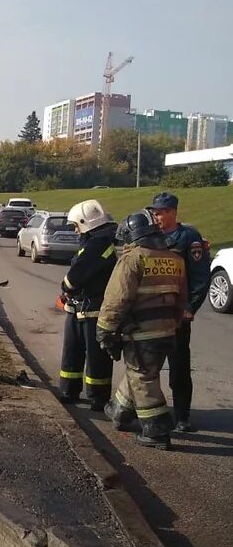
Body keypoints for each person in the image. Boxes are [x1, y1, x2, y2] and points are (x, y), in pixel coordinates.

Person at [97, 210, 187, 450]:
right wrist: (174, 324)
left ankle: (157, 431)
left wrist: (105, 330)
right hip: (168, 330)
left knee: (143, 377)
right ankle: (121, 412)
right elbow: (182, 299)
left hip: (141, 333)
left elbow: (116, 300)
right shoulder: (175, 258)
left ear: (132, 236)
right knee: (138, 372)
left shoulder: (133, 259)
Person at [148, 191, 211, 433]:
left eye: (161, 212)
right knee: (148, 366)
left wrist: (190, 308)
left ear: (173, 212)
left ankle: (182, 416)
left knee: (179, 366)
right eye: (155, 212)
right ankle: (147, 411)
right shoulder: (152, 235)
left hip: (177, 315)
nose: (157, 216)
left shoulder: (188, 238)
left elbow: (199, 278)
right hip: (153, 313)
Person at [57, 200, 117, 411]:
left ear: (85, 224)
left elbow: (75, 276)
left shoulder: (97, 246)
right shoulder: (95, 244)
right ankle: (69, 390)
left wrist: (65, 287)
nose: (75, 231)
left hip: (93, 311)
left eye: (76, 226)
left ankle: (97, 397)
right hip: (78, 308)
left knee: (96, 357)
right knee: (73, 351)